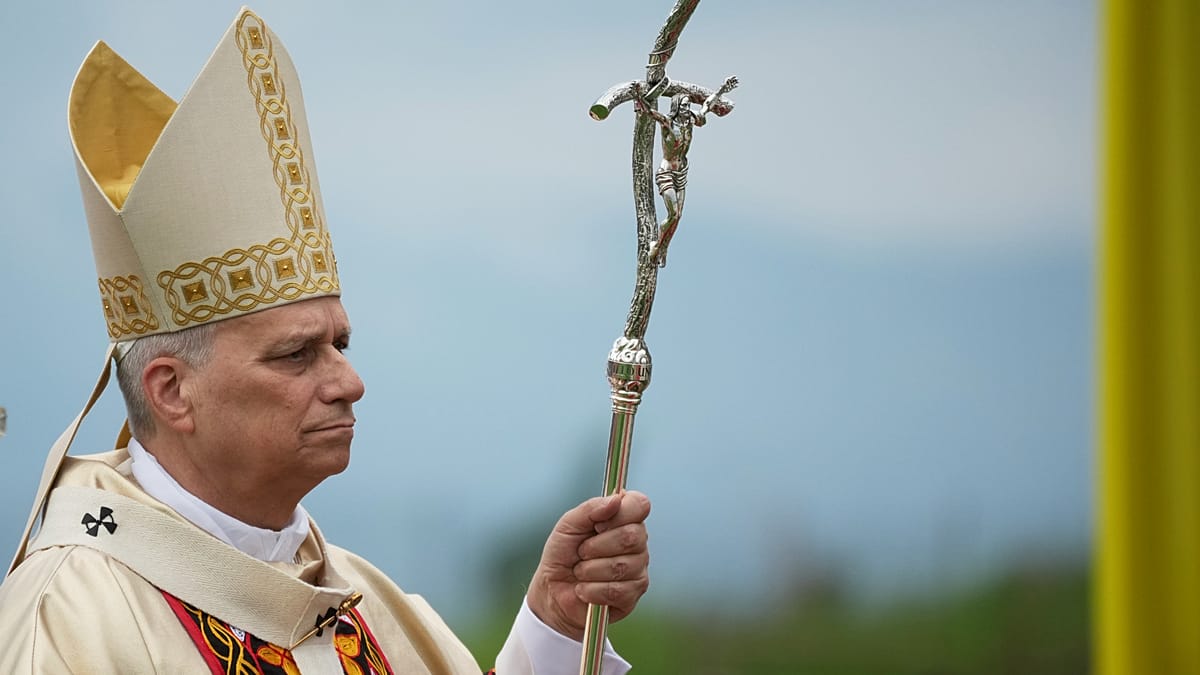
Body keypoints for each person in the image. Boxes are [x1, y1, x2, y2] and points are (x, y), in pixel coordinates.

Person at [0, 9, 649, 674]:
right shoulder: (69, 619)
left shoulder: (359, 600)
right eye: (297, 354)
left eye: (341, 343)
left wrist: (559, 628)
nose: (349, 381)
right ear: (172, 391)